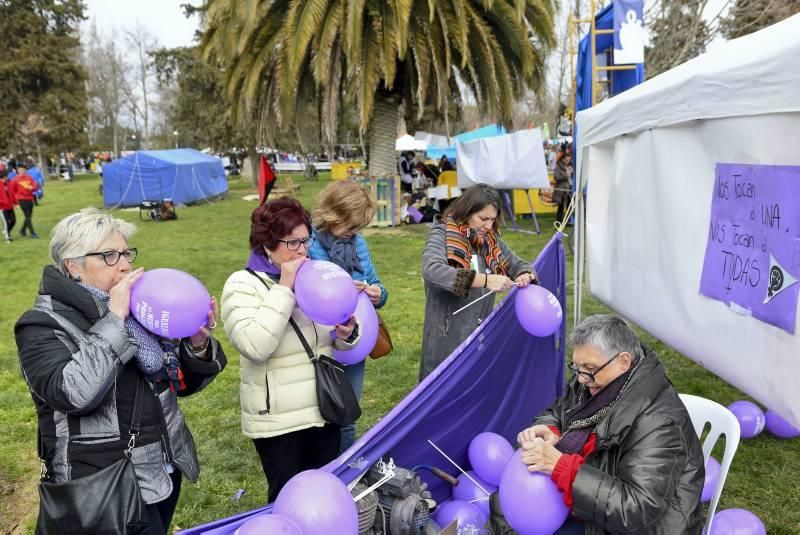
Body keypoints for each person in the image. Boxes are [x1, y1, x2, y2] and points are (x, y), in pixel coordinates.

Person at [15, 208, 226, 534]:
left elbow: (177, 383)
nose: (125, 264)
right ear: (73, 267)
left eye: (126, 252)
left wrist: (196, 343)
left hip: (160, 473)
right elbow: (73, 394)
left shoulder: (141, 309)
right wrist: (114, 319)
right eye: (110, 255)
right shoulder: (41, 324)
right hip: (103, 486)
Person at [488, 315, 705, 535]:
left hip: (640, 527)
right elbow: (559, 411)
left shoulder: (659, 421)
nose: (581, 379)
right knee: (502, 505)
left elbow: (637, 508)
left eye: (588, 368)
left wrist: (562, 467)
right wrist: (552, 430)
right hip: (595, 499)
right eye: (577, 367)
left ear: (623, 362)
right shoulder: (596, 378)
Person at [221, 197, 361, 502]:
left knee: (324, 498)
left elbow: (328, 339)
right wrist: (284, 288)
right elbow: (255, 345)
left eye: (305, 240)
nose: (302, 250)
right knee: (288, 501)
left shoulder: (315, 276)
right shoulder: (242, 285)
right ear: (267, 245)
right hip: (279, 421)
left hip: (323, 409)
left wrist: (346, 333)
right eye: (292, 243)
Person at [419, 184, 537, 381]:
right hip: (447, 339)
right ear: (466, 212)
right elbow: (433, 271)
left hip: (481, 335)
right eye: (483, 219)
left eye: (493, 219)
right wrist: (485, 280)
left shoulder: (490, 241)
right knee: (444, 392)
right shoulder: (443, 233)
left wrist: (525, 274)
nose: (489, 226)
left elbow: (518, 264)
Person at [308, 180, 388, 452]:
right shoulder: (308, 242)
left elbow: (376, 282)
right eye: (350, 225)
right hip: (320, 340)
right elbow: (308, 289)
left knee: (348, 413)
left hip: (356, 340)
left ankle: (345, 471)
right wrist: (341, 287)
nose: (353, 233)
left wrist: (379, 293)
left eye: (358, 227)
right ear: (332, 215)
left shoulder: (359, 243)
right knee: (317, 415)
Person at [10, 163, 40, 238]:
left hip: (30, 199)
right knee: (28, 216)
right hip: (22, 200)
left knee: (29, 216)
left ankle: (22, 230)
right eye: (20, 170)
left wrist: (32, 187)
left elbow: (36, 186)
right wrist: (15, 202)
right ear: (18, 170)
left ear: (25, 170)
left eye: (23, 170)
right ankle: (32, 233)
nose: (22, 171)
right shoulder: (15, 180)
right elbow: (12, 191)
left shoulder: (29, 178)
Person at [553, 149, 573, 224]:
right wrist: (566, 175)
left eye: (568, 158)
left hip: (569, 189)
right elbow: (556, 177)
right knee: (561, 207)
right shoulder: (558, 167)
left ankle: (569, 221)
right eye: (566, 158)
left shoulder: (571, 166)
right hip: (561, 191)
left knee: (569, 206)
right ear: (562, 159)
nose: (567, 160)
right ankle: (558, 222)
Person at [0, 167, 16, 242]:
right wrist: (3, 202)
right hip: (2, 208)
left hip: (10, 206)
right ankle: (8, 238)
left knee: (13, 221)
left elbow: (12, 193)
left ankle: (6, 231)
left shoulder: (8, 183)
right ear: (3, 176)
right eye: (6, 175)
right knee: (6, 222)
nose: (8, 177)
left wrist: (15, 202)